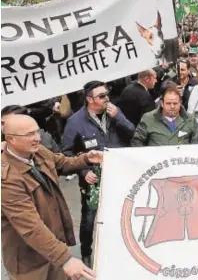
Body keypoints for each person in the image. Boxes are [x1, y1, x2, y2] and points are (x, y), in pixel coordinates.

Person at [2, 114, 102, 280]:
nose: (36, 138)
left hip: (53, 248)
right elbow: (30, 227)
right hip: (31, 263)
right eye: (29, 135)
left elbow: (62, 163)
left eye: (37, 132)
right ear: (11, 140)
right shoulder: (6, 180)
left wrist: (86, 159)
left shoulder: (37, 151)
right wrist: (65, 259)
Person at [62, 81, 135, 267]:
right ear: (89, 99)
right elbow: (66, 155)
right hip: (93, 178)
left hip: (117, 173)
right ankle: (86, 252)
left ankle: (120, 248)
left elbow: (133, 134)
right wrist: (83, 171)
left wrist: (119, 117)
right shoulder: (75, 122)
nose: (106, 99)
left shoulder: (114, 112)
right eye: (101, 96)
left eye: (107, 94)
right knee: (89, 217)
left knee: (121, 212)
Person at [131, 84, 198, 146]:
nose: (172, 106)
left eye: (175, 103)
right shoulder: (148, 118)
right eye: (168, 103)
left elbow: (197, 145)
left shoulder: (190, 120)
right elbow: (137, 142)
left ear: (180, 103)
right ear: (162, 103)